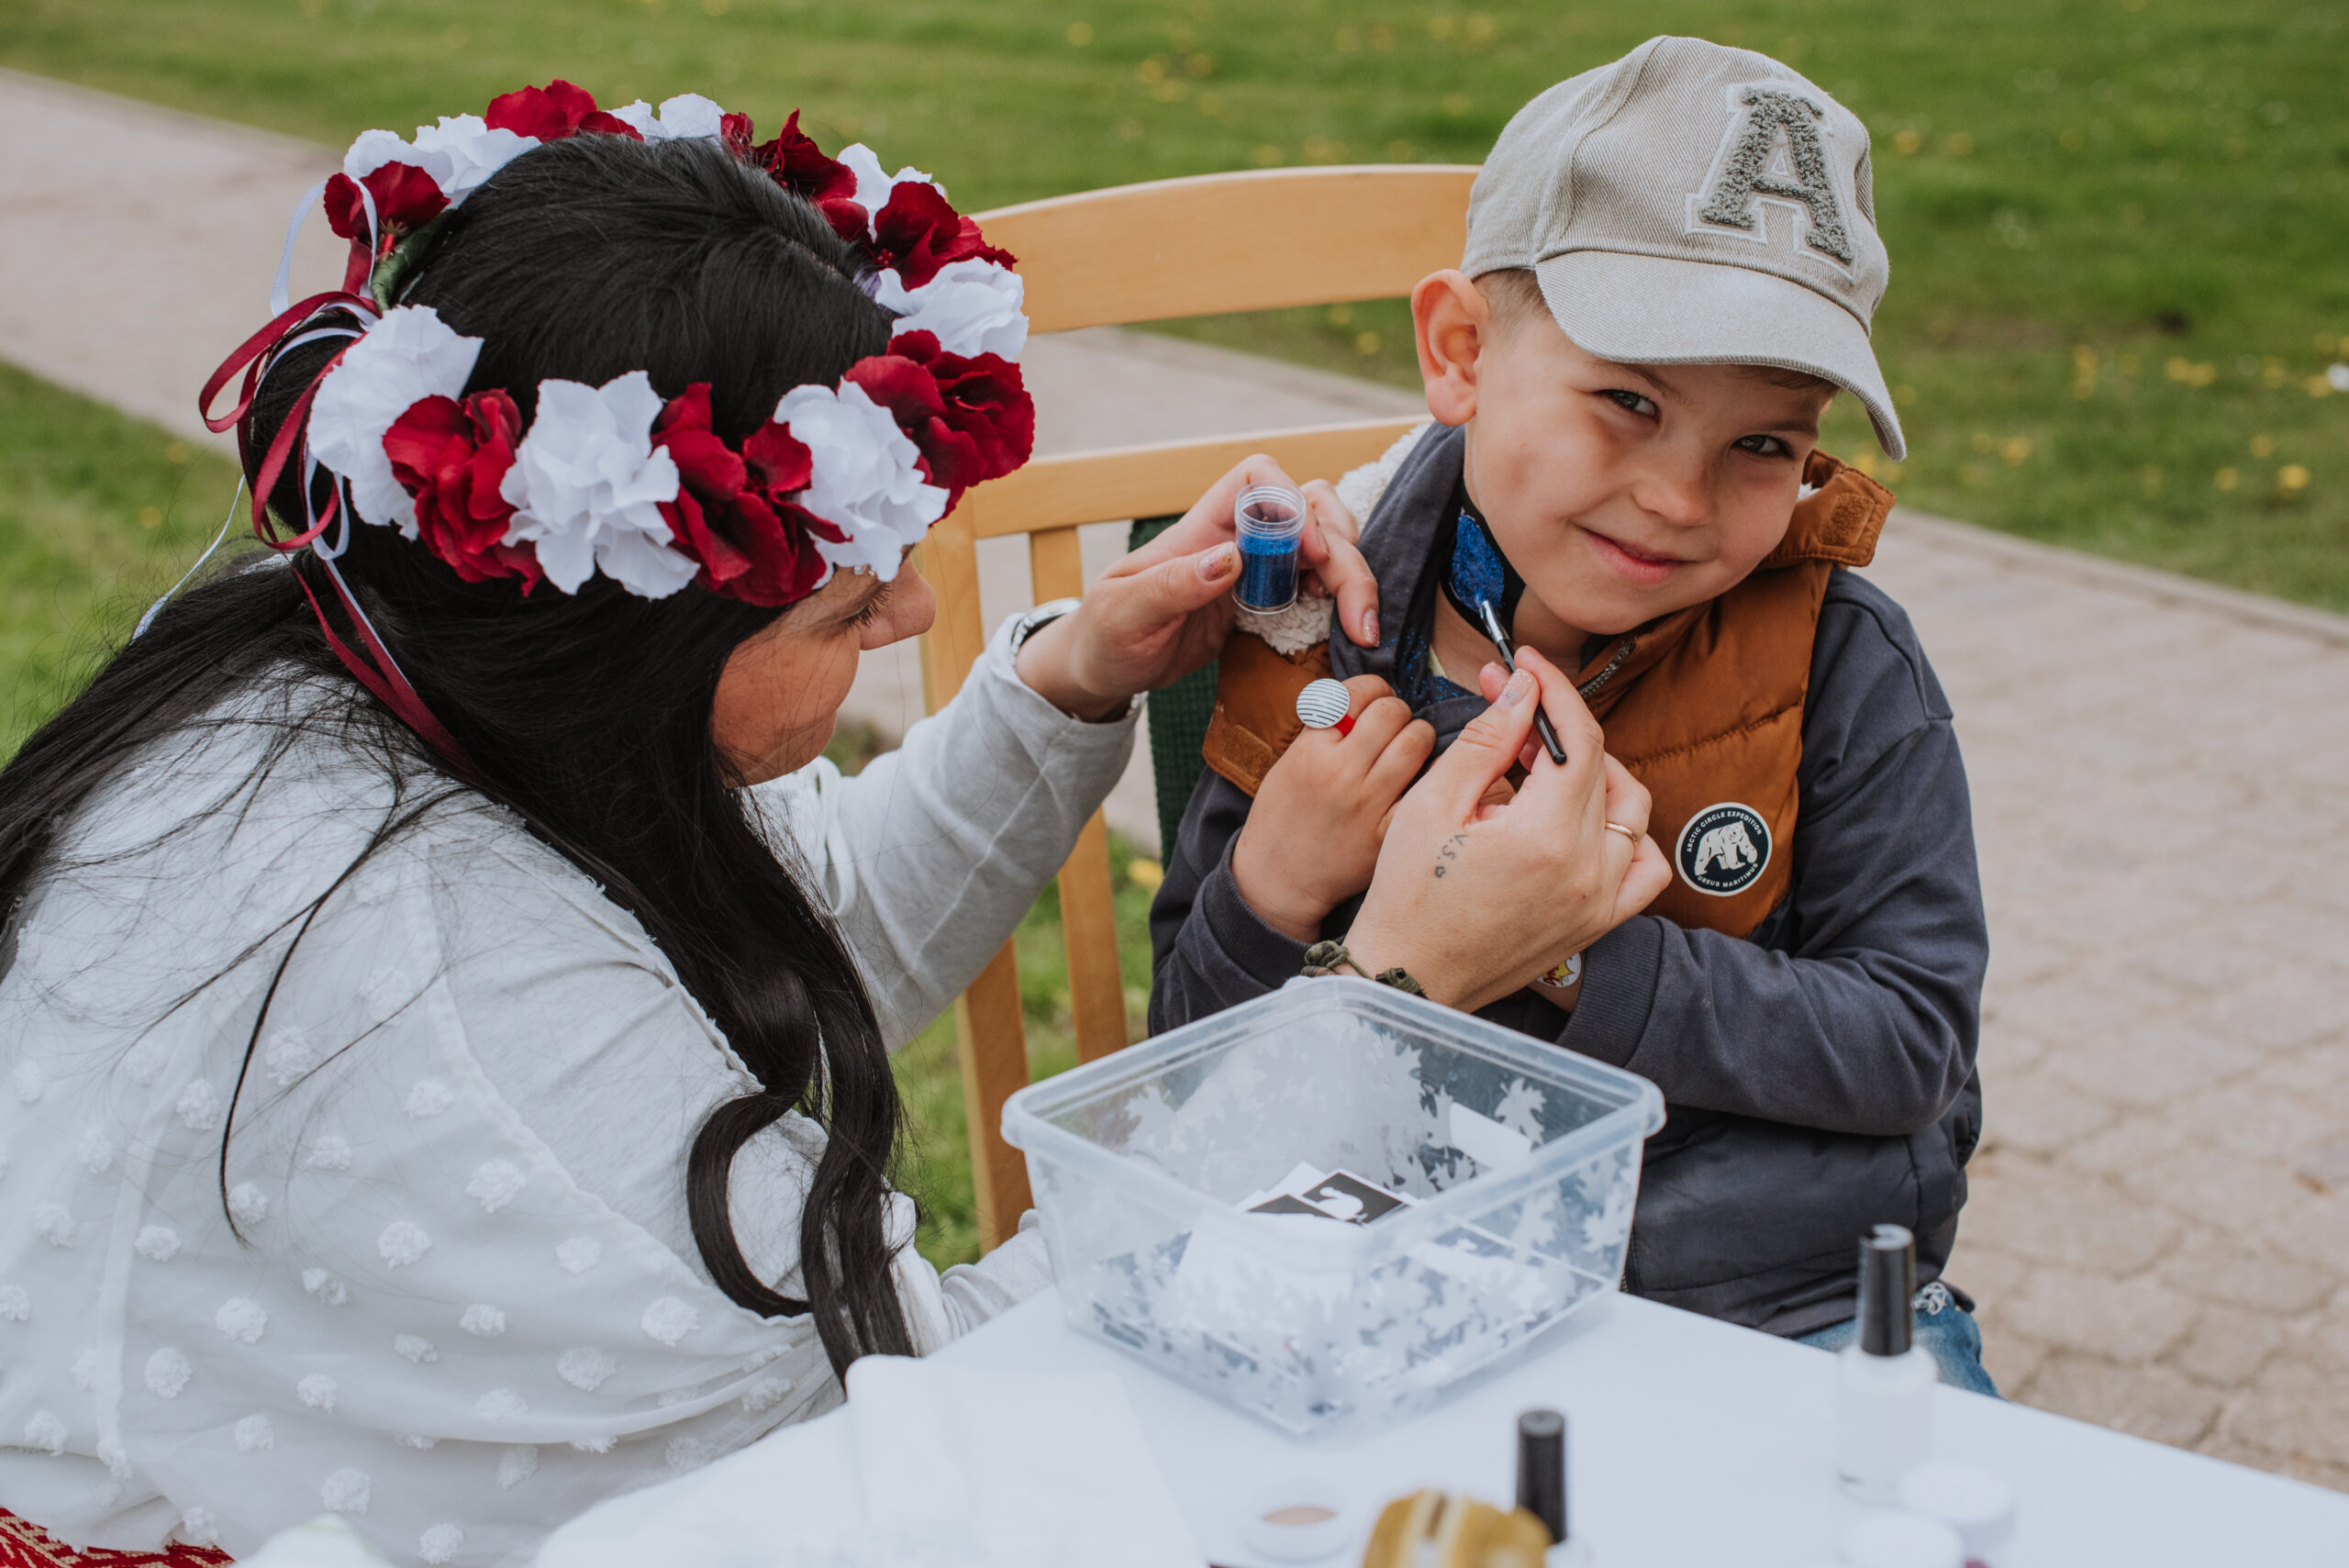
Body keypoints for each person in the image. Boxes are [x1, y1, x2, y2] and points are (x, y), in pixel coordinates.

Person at [0, 81, 1641, 1563]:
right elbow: (933, 1422)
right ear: (631, 640)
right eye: (851, 607)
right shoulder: (448, 994)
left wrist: (1079, 672)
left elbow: (799, 926)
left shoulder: (402, 666)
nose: (914, 609)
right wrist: (1385, 1003)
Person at [1148, 37, 1995, 1390]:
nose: (1678, 496)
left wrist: (1576, 953)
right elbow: (1183, 1084)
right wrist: (1272, 887)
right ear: (1463, 352)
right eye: (1628, 401)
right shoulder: (1315, 635)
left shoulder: (1844, 660)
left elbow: (1910, 1043)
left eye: (1763, 443)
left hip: (1781, 1309)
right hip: (1396, 1289)